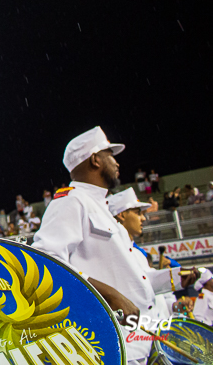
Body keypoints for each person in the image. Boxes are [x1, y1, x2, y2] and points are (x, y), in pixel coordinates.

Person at [32, 126, 198, 365]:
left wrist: (175, 278)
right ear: (95, 160)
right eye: (110, 155)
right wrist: (109, 295)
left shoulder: (102, 208)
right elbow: (44, 261)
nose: (116, 163)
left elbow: (132, 281)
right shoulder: (71, 200)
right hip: (117, 343)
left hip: (144, 336)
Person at [107, 188, 180, 321]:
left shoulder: (139, 254)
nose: (143, 218)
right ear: (122, 215)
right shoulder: (110, 254)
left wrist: (180, 277)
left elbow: (151, 289)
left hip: (154, 331)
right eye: (138, 213)